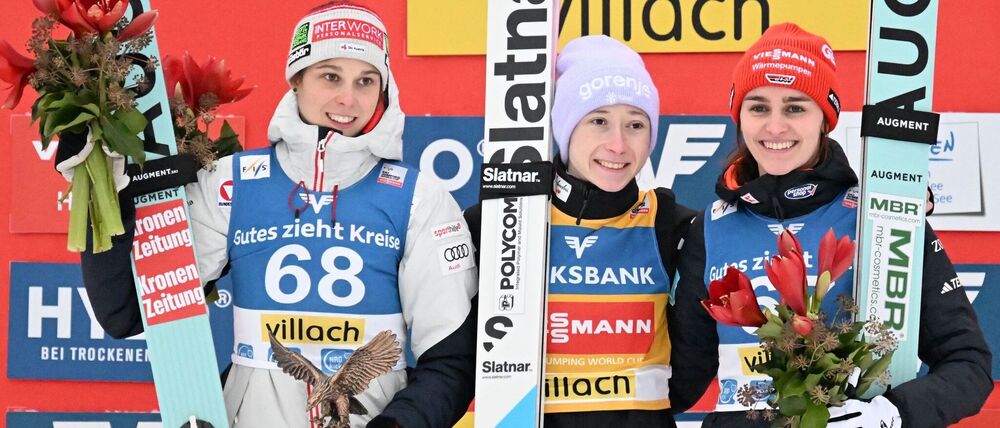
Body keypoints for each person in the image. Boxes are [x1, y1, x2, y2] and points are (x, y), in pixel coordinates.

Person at [65, 2, 478, 427]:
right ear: (296, 79)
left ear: (383, 90)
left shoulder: (418, 199)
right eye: (330, 76)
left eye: (366, 80)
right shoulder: (232, 184)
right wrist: (103, 193)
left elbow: (450, 362)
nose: (348, 98)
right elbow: (126, 312)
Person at [682, 23, 993, 427]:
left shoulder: (881, 218)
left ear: (824, 120)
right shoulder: (709, 228)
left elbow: (968, 365)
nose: (774, 127)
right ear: (739, 116)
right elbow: (678, 380)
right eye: (758, 107)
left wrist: (890, 415)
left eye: (795, 108)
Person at [465, 35, 719, 427]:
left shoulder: (672, 224)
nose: (618, 144)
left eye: (635, 124)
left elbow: (695, 357)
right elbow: (458, 357)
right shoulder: (499, 222)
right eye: (598, 121)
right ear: (565, 127)